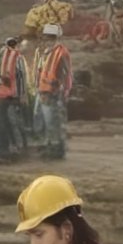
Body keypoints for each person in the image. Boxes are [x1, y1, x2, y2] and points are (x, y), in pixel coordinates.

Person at [36, 22, 73, 159]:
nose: (48, 41)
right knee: (48, 122)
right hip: (45, 91)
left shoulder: (61, 52)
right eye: (47, 38)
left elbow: (66, 75)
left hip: (53, 93)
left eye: (51, 38)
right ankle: (51, 145)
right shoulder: (47, 53)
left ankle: (57, 149)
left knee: (54, 122)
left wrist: (61, 92)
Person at [0, 36, 28, 162]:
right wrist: (23, 94)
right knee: (12, 123)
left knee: (1, 123)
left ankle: (4, 150)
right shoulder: (17, 57)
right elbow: (22, 76)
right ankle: (16, 148)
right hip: (13, 95)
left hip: (3, 94)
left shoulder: (0, 56)